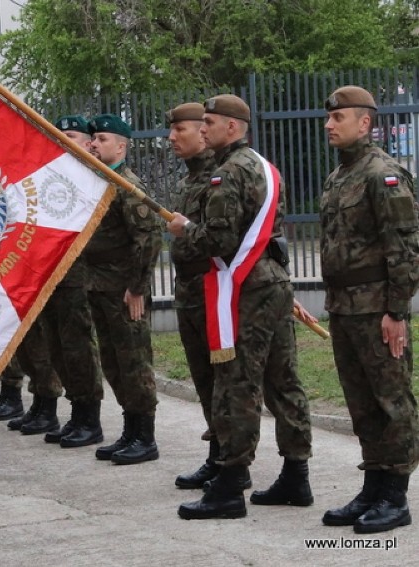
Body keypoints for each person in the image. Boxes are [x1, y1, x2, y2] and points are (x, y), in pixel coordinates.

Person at [168, 95, 313, 520]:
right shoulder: (263, 167)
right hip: (273, 280)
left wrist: (183, 229)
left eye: (209, 122)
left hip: (244, 286)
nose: (203, 128)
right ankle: (295, 474)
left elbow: (218, 241)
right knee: (282, 378)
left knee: (236, 381)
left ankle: (230, 485)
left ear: (232, 127)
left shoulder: (226, 174)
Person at [318, 85, 419, 534]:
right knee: (361, 402)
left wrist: (397, 311)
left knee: (391, 401)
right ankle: (373, 485)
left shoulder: (384, 174)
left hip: (378, 308)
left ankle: (395, 496)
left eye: (338, 118)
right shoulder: (339, 176)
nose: (328, 125)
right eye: (328, 118)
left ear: (364, 122)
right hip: (344, 307)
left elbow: (405, 246)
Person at [83, 114, 162, 464]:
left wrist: (137, 288)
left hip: (123, 290)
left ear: (121, 145)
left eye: (101, 139)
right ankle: (130, 430)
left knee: (134, 362)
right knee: (113, 363)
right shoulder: (98, 181)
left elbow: (149, 238)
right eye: (94, 139)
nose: (94, 144)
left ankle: (145, 436)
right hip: (98, 286)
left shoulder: (128, 185)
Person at [164, 102, 224, 488]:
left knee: (224, 380)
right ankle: (217, 454)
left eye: (179, 130)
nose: (172, 137)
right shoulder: (187, 181)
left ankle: (231, 460)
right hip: (188, 290)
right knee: (203, 378)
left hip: (214, 289)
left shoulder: (221, 177)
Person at [41, 115, 105, 447]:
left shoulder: (97, 177)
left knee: (79, 348)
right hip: (55, 276)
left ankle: (89, 418)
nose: (64, 141)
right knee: (58, 349)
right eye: (59, 136)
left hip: (81, 278)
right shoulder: (57, 175)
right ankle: (76, 412)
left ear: (88, 142)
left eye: (71, 136)